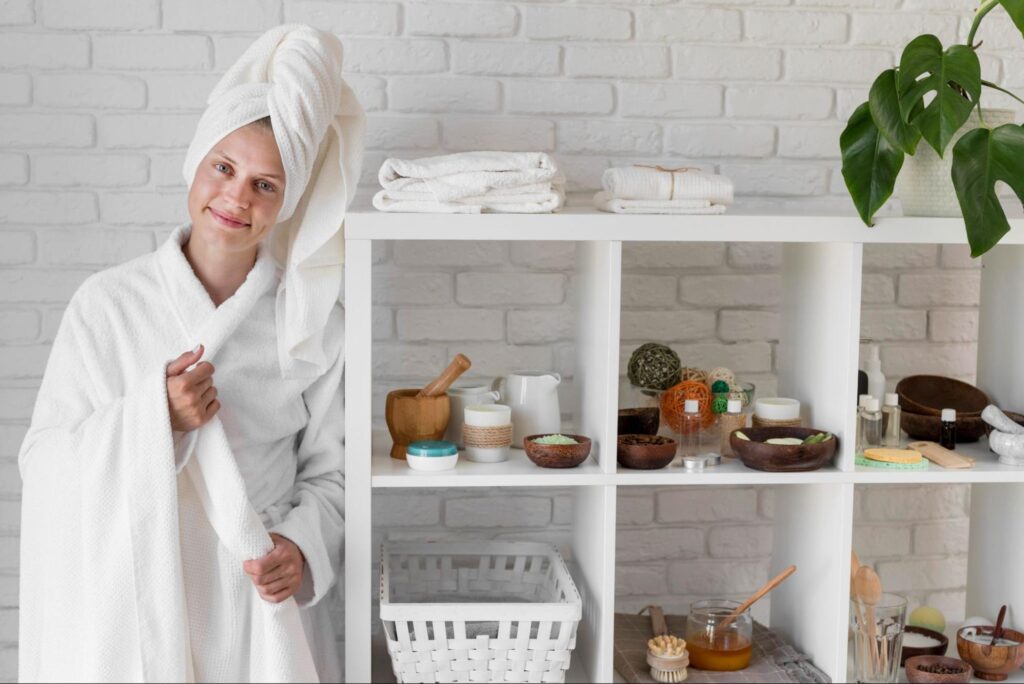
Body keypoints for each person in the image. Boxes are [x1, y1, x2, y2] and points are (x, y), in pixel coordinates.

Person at [17, 25, 365, 682]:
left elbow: (334, 474)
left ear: (287, 203)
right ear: (196, 162)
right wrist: (156, 418)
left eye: (266, 185)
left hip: (257, 594)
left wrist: (302, 547)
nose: (236, 198)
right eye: (224, 168)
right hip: (136, 585)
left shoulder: (313, 322)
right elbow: (44, 462)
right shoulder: (106, 304)